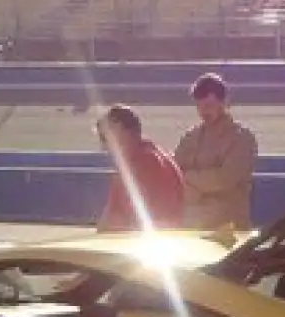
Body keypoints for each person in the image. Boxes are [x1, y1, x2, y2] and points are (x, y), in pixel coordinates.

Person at [173, 72, 258, 232]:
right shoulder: (191, 136)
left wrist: (189, 178)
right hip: (193, 226)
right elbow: (174, 174)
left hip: (228, 229)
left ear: (224, 102)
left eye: (209, 106)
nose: (203, 112)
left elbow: (224, 179)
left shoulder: (242, 138)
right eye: (199, 106)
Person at [96, 103, 186, 232]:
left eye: (104, 138)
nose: (104, 147)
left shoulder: (140, 165)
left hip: (141, 243)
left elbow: (115, 221)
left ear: (120, 132)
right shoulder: (160, 157)